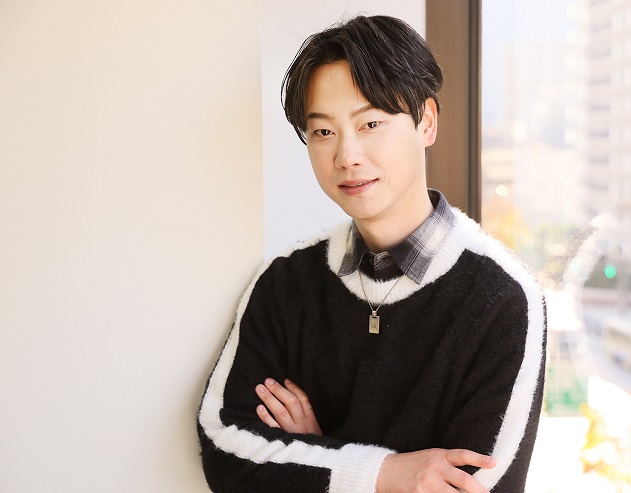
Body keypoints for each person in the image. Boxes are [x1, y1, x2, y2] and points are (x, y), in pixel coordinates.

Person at [197, 14, 546, 493]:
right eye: (323, 132)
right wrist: (383, 474)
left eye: (371, 123)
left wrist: (311, 455)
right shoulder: (284, 283)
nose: (347, 156)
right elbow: (223, 449)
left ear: (426, 121)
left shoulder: (504, 298)